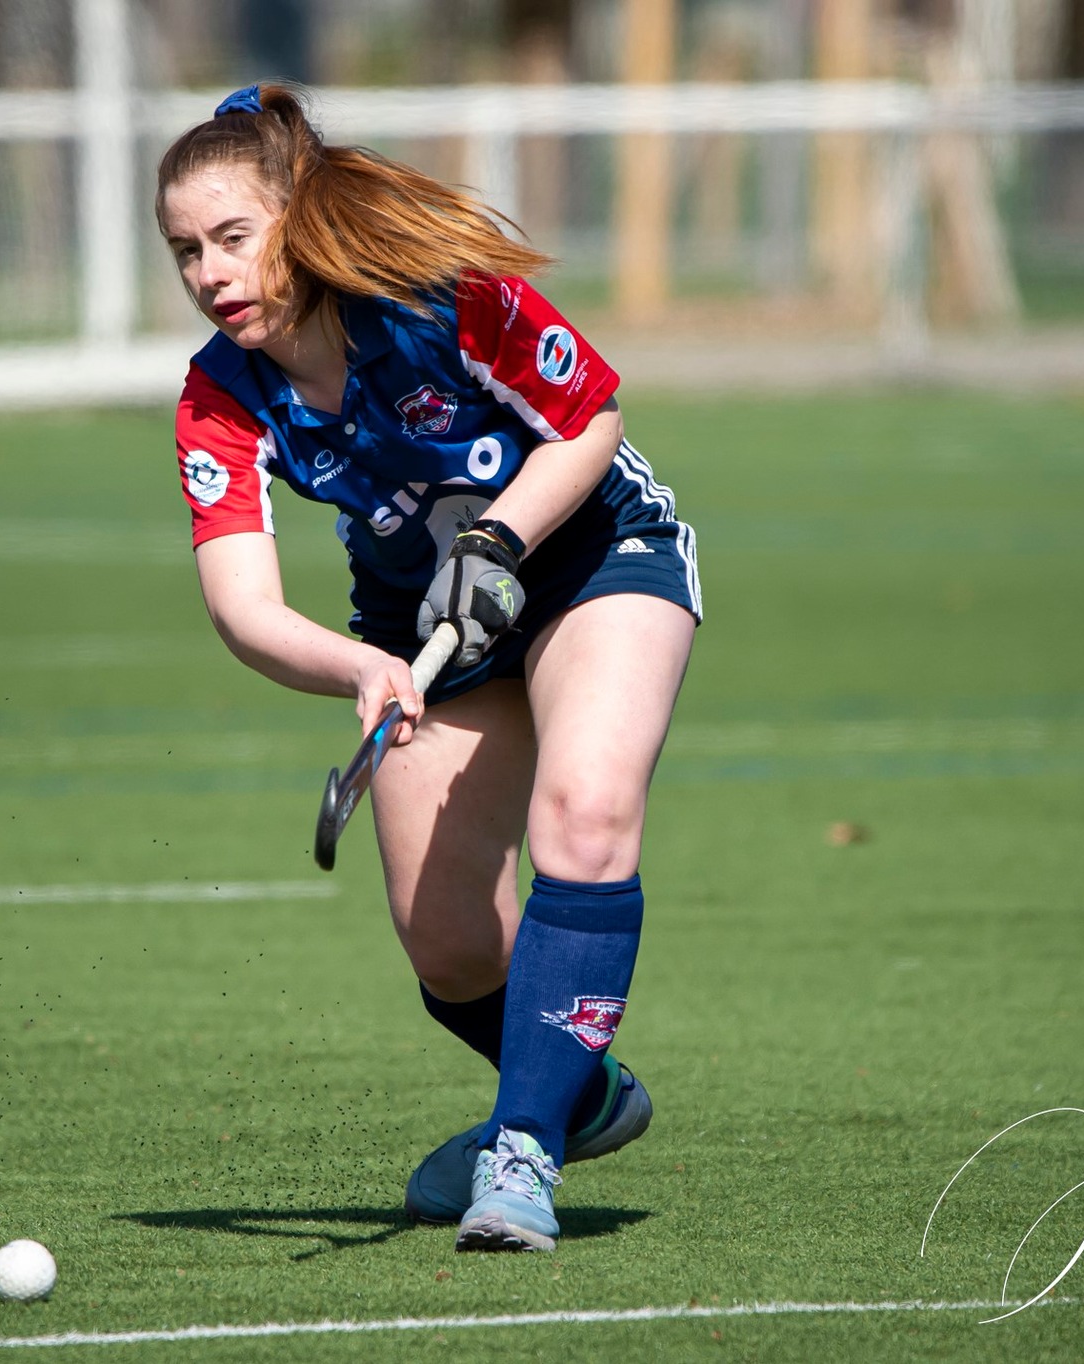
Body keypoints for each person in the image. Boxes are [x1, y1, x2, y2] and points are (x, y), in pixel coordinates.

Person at [159, 84, 700, 1253]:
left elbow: (590, 416)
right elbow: (243, 608)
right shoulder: (219, 395)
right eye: (186, 251)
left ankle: (523, 1149)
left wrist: (499, 539)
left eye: (232, 237)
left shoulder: (437, 296)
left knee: (585, 811)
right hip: (426, 620)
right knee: (445, 937)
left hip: (591, 558)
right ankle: (579, 1091)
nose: (209, 273)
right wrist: (361, 665)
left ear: (297, 216)